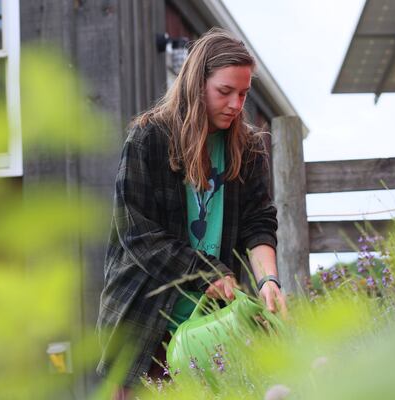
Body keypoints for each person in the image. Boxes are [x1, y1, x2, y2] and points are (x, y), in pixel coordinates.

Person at [96, 27, 287, 398]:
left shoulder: (246, 148)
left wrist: (268, 282)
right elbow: (135, 232)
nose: (236, 104)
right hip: (143, 323)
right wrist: (205, 271)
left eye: (243, 94)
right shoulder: (148, 139)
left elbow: (258, 221)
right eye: (225, 91)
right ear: (196, 84)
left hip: (214, 326)